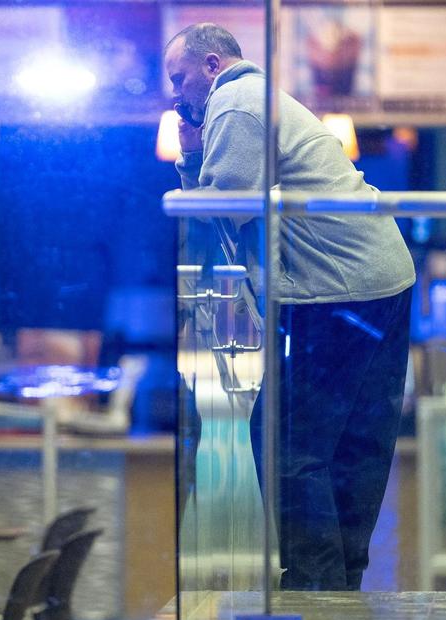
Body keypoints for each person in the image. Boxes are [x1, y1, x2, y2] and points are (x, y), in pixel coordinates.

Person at [165, 24, 416, 591]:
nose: (175, 94)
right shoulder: (261, 99)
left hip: (335, 289)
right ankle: (341, 585)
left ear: (211, 64)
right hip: (382, 278)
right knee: (355, 444)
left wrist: (188, 159)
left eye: (178, 79)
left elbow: (219, 209)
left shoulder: (234, 103)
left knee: (283, 443)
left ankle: (316, 591)